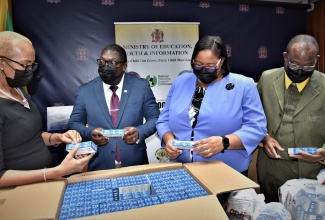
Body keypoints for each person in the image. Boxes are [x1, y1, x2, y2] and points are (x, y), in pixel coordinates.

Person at [156, 35, 267, 175]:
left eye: (210, 66)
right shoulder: (180, 82)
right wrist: (169, 140)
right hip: (182, 168)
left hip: (227, 170)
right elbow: (163, 120)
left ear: (222, 62)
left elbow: (257, 128)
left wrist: (224, 142)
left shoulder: (244, 85)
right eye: (197, 64)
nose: (203, 70)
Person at [0, 31, 94, 188]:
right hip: (17, 194)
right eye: (24, 65)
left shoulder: (18, 90)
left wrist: (58, 138)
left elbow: (32, 136)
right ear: (1, 62)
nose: (29, 70)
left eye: (32, 65)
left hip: (41, 184)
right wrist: (57, 172)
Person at [68, 44, 160, 171]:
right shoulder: (86, 90)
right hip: (100, 164)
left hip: (135, 162)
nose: (105, 66)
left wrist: (139, 132)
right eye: (102, 61)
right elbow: (74, 123)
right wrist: (90, 133)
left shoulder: (141, 86)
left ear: (124, 66)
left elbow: (155, 118)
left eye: (112, 62)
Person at [256, 34, 325, 203]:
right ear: (285, 57)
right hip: (269, 165)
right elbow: (252, 117)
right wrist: (265, 138)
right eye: (294, 64)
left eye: (308, 67)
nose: (300, 71)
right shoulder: (267, 78)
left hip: (308, 170)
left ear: (316, 60)